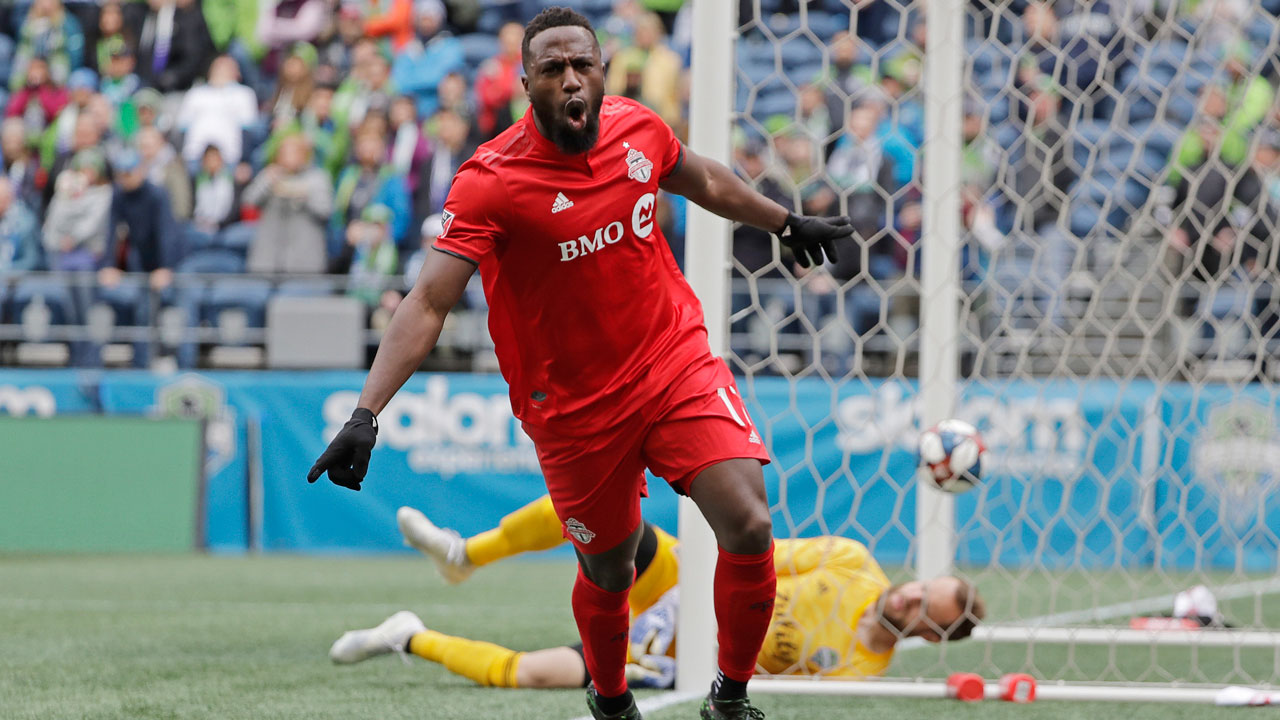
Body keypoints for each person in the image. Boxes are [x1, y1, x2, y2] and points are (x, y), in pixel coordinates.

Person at [306, 9, 852, 720]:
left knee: (747, 522)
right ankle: (612, 695)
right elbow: (430, 302)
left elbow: (703, 179)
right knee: (610, 566)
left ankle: (730, 697)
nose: (571, 80)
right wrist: (365, 413)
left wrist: (782, 221)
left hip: (672, 360)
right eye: (553, 69)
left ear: (602, 71)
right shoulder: (491, 181)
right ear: (526, 83)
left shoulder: (638, 128)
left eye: (582, 65)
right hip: (574, 407)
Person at [329, 499, 986, 688]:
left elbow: (757, 681)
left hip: (676, 658)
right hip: (682, 581)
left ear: (930, 635)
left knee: (533, 674)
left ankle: (406, 634)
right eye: (925, 585)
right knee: (590, 508)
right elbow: (752, 557)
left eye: (929, 607)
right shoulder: (852, 561)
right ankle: (461, 556)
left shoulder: (862, 671)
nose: (913, 595)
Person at [244, 133, 332, 274]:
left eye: (294, 153)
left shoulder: (317, 178)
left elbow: (325, 211)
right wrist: (268, 181)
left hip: (303, 265)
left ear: (305, 156)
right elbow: (249, 201)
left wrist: (302, 195)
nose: (289, 158)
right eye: (284, 153)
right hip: (267, 262)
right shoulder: (269, 175)